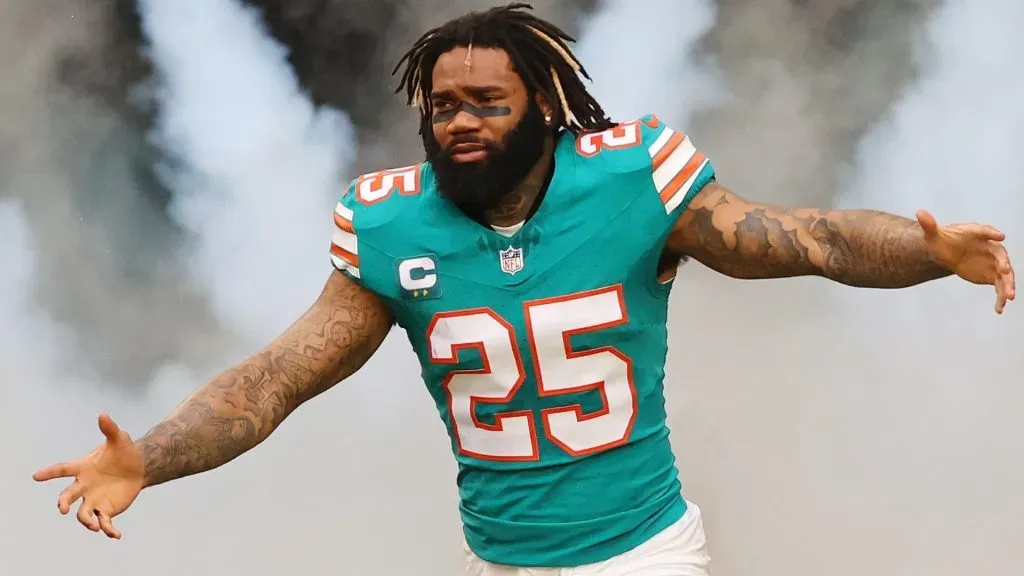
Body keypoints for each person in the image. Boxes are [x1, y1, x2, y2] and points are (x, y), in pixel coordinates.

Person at [34, 3, 1014, 575]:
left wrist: (931, 253)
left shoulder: (634, 181)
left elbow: (808, 240)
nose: (456, 122)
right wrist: (148, 461)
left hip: (642, 554)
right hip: (500, 561)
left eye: (484, 103)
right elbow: (273, 382)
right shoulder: (389, 223)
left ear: (542, 108)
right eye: (440, 106)